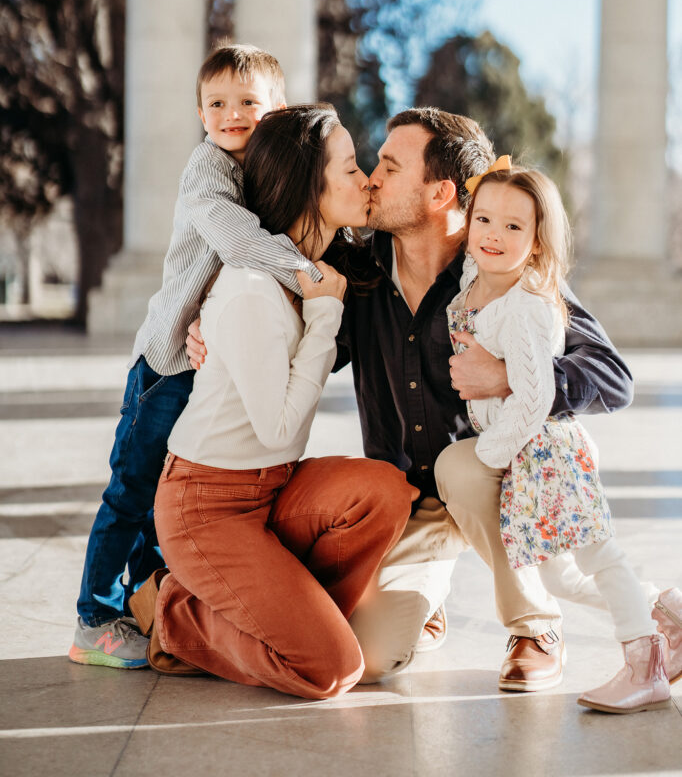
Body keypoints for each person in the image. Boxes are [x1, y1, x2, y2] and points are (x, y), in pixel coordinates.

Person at [188, 107, 637, 692]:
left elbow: (611, 374)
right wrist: (217, 329)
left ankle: (535, 628)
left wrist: (508, 376)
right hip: (407, 497)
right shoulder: (357, 270)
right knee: (371, 658)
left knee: (464, 468)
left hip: (494, 479)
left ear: (439, 192)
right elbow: (294, 334)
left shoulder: (501, 265)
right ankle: (428, 600)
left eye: (389, 167)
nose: (371, 178)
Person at [127, 105, 416, 700]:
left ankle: (290, 612)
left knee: (385, 491)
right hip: (205, 505)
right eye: (351, 168)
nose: (365, 180)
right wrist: (323, 315)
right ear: (308, 188)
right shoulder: (253, 289)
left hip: (272, 489)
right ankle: (175, 608)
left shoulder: (321, 270)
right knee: (332, 670)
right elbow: (280, 427)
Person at [70, 43, 323, 669]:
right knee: (132, 490)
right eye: (216, 104)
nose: (231, 114)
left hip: (197, 366)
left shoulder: (258, 174)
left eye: (248, 103)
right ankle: (94, 617)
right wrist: (307, 274)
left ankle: (146, 605)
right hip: (164, 365)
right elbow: (236, 241)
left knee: (164, 497)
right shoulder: (209, 168)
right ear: (200, 113)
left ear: (278, 109)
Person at [441, 160, 681, 714]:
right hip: (525, 454)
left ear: (540, 240)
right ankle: (665, 610)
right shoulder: (474, 279)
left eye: (514, 227)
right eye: (484, 220)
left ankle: (645, 667)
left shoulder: (525, 307)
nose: (494, 235)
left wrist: (490, 455)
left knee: (600, 556)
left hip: (546, 451)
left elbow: (534, 399)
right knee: (561, 576)